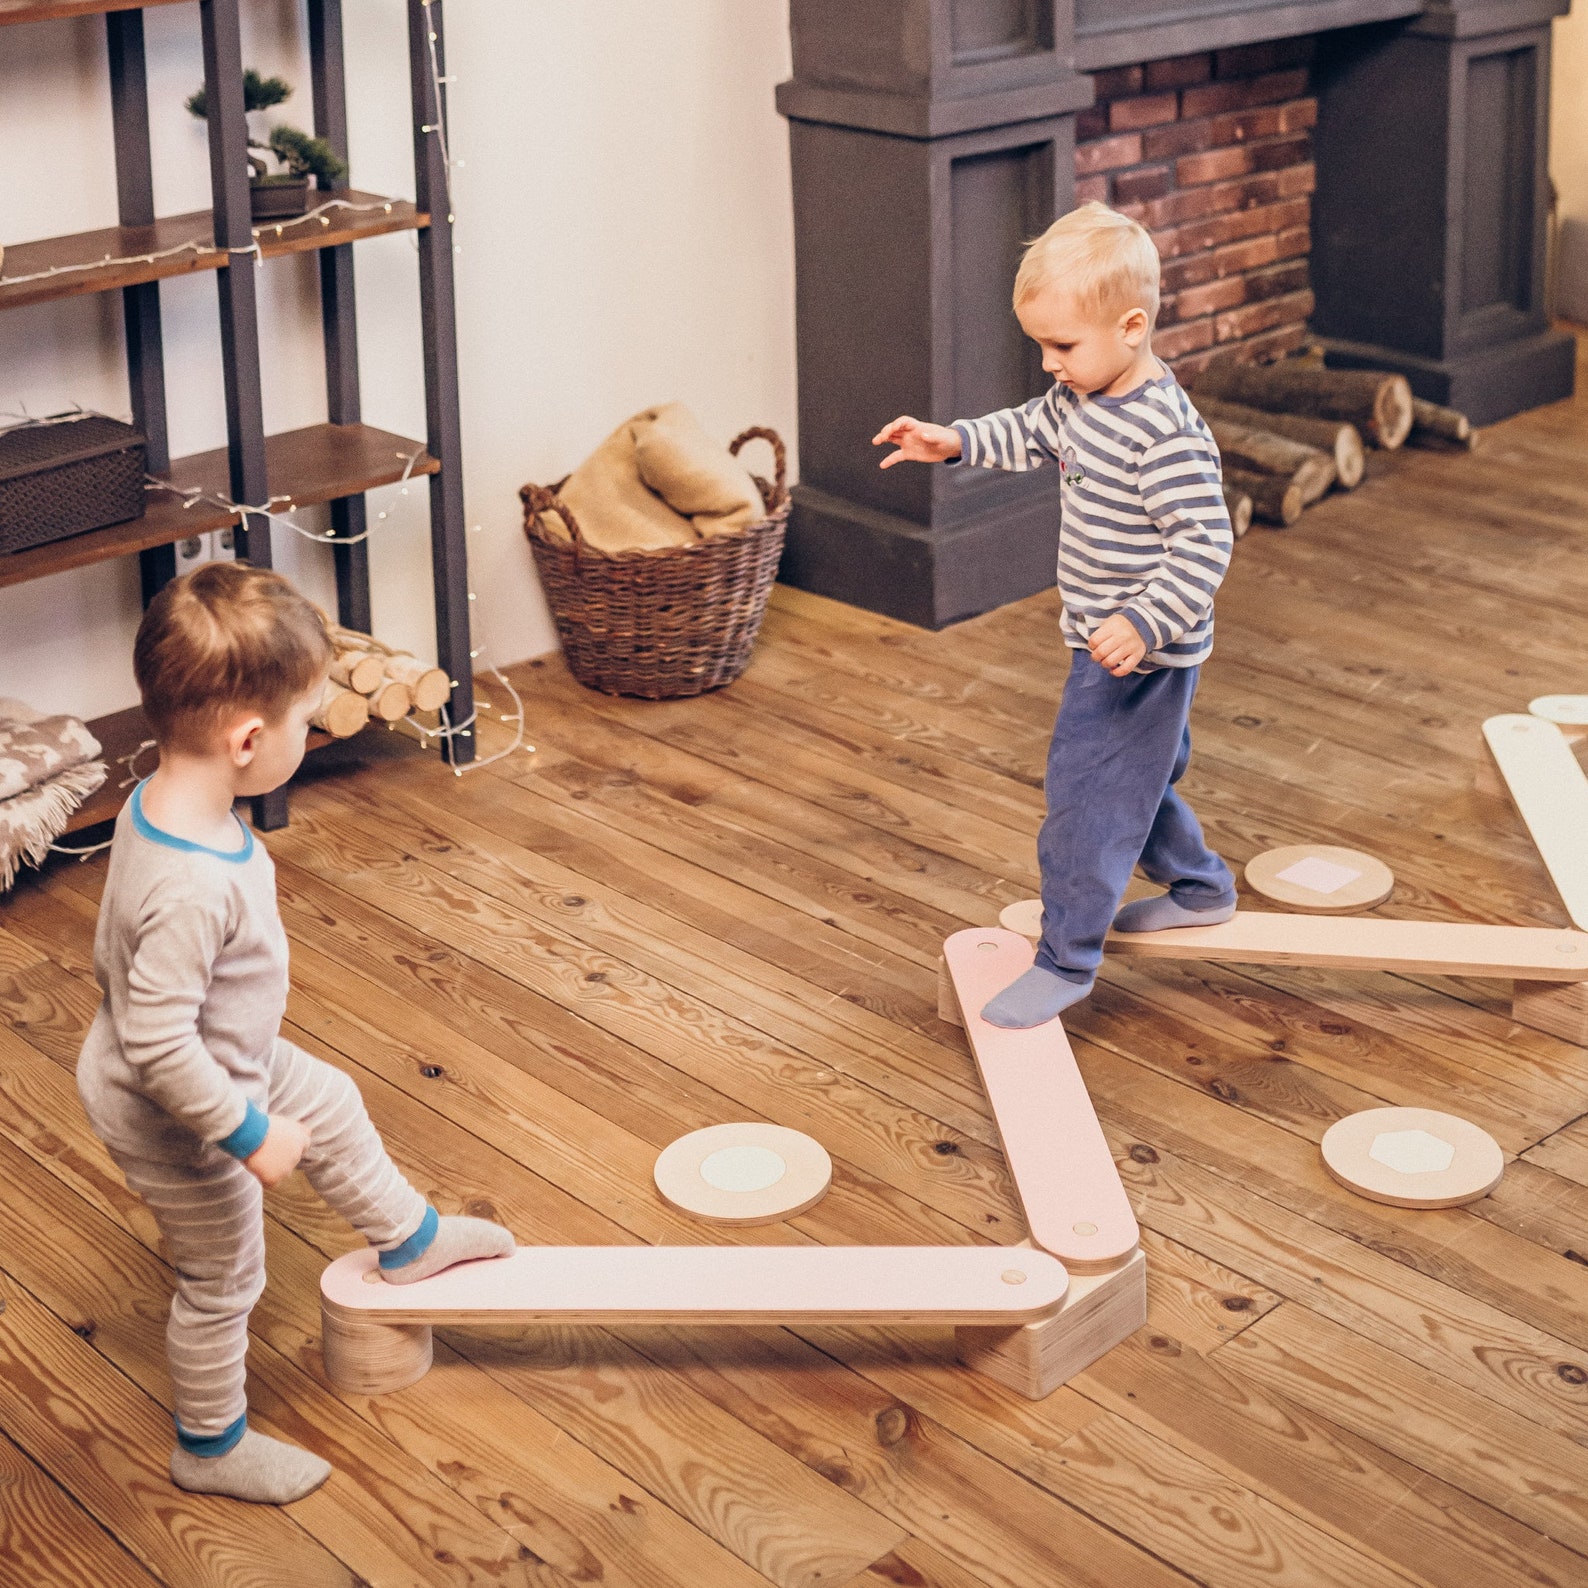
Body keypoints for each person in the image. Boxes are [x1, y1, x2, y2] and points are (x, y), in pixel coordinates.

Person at [76, 563, 514, 1504]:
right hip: (173, 1106)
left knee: (335, 1098)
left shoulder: (169, 799)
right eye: (306, 721)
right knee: (223, 1278)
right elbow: (157, 1046)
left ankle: (412, 1239)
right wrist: (245, 1131)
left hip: (222, 1056)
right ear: (246, 739)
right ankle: (210, 1446)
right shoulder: (190, 888)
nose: (312, 734)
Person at [873, 200, 1237, 1030]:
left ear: (1133, 327)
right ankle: (1202, 887)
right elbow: (1032, 429)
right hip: (1102, 642)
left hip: (1139, 656)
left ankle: (1067, 960)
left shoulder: (1167, 437)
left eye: (1062, 346)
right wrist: (954, 440)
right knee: (1133, 786)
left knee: (1083, 802)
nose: (1049, 364)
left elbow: (1206, 548)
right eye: (1041, 344)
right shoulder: (1084, 398)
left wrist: (1144, 623)